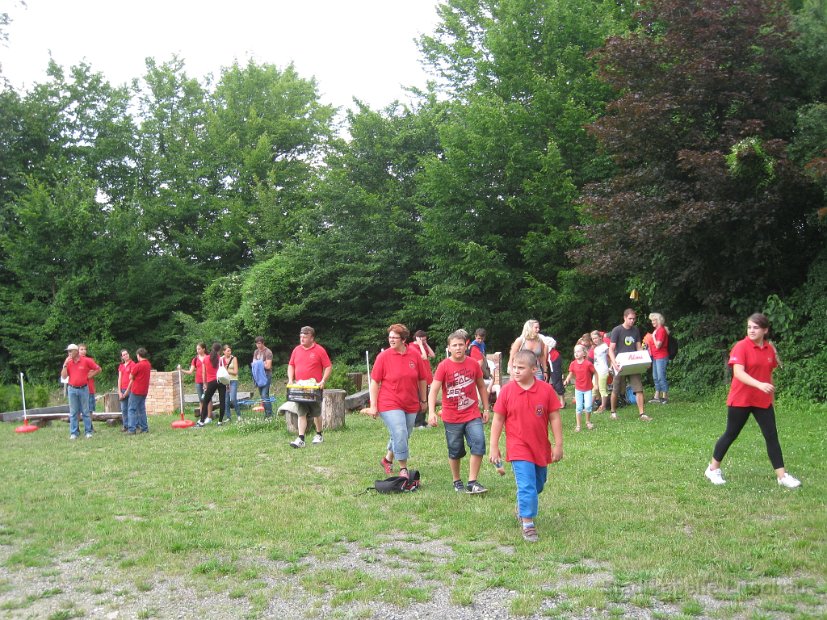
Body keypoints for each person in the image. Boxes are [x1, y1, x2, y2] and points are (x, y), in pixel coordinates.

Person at [704, 313, 801, 488]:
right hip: (741, 399)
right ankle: (712, 469)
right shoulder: (741, 347)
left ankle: (782, 476)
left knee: (771, 436)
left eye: (756, 327)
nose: (751, 330)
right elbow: (738, 373)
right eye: (749, 327)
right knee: (731, 434)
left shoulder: (770, 349)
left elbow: (768, 373)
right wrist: (759, 385)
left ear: (765, 330)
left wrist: (769, 392)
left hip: (762, 400)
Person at [489, 350, 563, 543]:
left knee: (538, 484)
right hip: (518, 447)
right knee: (527, 486)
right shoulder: (507, 391)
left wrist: (558, 444)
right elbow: (498, 419)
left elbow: (554, 417)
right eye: (513, 367)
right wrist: (494, 446)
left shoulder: (546, 390)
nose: (515, 371)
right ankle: (528, 523)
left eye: (520, 368)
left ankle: (522, 506)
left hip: (540, 447)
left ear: (533, 369)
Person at [428, 330, 491, 494]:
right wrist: (431, 412)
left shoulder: (473, 364)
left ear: (466, 346)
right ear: (449, 348)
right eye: (454, 345)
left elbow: (481, 387)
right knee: (455, 450)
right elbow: (434, 390)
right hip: (451, 416)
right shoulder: (443, 366)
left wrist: (486, 408)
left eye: (461, 345)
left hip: (472, 413)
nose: (458, 348)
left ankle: (472, 481)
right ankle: (457, 480)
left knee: (479, 442)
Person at [363, 324, 428, 479]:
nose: (391, 340)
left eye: (395, 337)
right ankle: (403, 469)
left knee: (404, 434)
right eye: (390, 337)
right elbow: (374, 382)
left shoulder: (414, 355)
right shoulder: (383, 357)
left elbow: (422, 379)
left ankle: (387, 459)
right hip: (389, 402)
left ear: (403, 339)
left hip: (411, 402)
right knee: (399, 431)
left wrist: (423, 400)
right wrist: (373, 406)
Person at [287, 326, 333, 448]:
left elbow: (328, 366)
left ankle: (319, 434)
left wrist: (323, 381)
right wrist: (291, 379)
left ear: (312, 338)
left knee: (316, 413)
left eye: (305, 337)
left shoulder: (320, 350)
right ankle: (301, 438)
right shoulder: (296, 350)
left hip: (314, 389)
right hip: (300, 388)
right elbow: (291, 365)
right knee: (301, 412)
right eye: (301, 337)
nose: (302, 339)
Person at [608, 309, 652, 421]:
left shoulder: (635, 330)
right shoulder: (617, 330)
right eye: (630, 319)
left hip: (633, 363)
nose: (632, 321)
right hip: (620, 363)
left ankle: (642, 414)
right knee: (616, 389)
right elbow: (611, 349)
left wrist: (644, 360)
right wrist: (614, 364)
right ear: (625, 318)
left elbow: (638, 347)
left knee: (638, 389)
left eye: (634, 319)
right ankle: (613, 412)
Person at [61, 343, 101, 439]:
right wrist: (65, 365)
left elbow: (98, 369)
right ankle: (74, 432)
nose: (69, 353)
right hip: (72, 389)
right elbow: (64, 376)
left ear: (76, 351)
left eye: (70, 351)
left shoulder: (86, 361)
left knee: (86, 411)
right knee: (73, 412)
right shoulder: (68, 362)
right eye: (68, 351)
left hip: (83, 388)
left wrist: (89, 376)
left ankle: (88, 431)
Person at [564, 344, 597, 431]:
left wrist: (596, 384)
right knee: (578, 407)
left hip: (588, 389)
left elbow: (595, 373)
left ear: (584, 353)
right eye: (575, 352)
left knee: (588, 406)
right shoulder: (573, 364)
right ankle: (578, 425)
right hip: (578, 388)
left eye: (578, 351)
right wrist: (566, 380)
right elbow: (570, 374)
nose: (576, 353)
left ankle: (588, 422)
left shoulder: (588, 364)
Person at [409, 330, 435, 428]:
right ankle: (417, 422)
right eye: (422, 340)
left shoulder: (424, 346)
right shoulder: (411, 347)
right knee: (420, 400)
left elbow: (432, 355)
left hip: (426, 377)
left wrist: (425, 344)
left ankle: (423, 421)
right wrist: (420, 345)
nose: (424, 341)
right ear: (417, 338)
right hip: (418, 379)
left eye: (425, 340)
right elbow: (423, 357)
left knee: (426, 399)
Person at [196, 343, 227, 427]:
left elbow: (204, 372)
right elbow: (225, 372)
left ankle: (202, 421)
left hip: (211, 381)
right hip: (221, 381)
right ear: (219, 350)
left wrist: (205, 383)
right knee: (222, 401)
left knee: (205, 401)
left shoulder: (206, 359)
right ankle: (220, 422)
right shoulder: (221, 359)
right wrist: (228, 384)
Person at [179, 343, 210, 420]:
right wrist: (181, 370)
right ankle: (202, 416)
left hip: (208, 381)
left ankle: (209, 417)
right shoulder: (195, 359)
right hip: (198, 382)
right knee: (201, 399)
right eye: (197, 349)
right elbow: (190, 371)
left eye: (199, 349)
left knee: (208, 399)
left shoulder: (208, 358)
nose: (197, 350)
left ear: (204, 349)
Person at [124, 348, 151, 434]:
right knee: (142, 409)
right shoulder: (148, 364)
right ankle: (144, 428)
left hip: (136, 390)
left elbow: (130, 377)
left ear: (138, 355)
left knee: (131, 409)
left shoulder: (138, 365)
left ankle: (132, 429)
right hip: (144, 390)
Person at [648, 312, 670, 404]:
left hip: (661, 356)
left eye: (654, 320)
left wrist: (652, 337)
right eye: (652, 320)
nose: (652, 322)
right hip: (655, 356)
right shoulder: (657, 330)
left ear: (659, 320)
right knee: (655, 377)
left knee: (661, 376)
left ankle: (665, 396)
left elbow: (658, 345)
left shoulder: (661, 330)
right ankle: (657, 396)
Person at [468, 328, 496, 399]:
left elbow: (483, 355)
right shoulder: (474, 346)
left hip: (482, 370)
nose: (480, 341)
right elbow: (479, 362)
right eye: (478, 338)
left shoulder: (482, 344)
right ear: (475, 336)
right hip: (475, 371)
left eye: (482, 339)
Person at [252, 336, 274, 419]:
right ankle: (267, 413)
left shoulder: (268, 352)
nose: (258, 345)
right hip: (258, 376)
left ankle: (269, 415)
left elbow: (268, 366)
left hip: (266, 375)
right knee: (262, 395)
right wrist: (262, 363)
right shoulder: (256, 352)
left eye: (259, 343)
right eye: (256, 343)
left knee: (264, 395)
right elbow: (253, 363)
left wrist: (259, 364)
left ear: (263, 343)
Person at [590, 331, 610, 413]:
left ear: (600, 337)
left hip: (603, 371)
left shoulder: (605, 346)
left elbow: (610, 357)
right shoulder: (596, 348)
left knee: (602, 389)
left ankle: (603, 407)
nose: (594, 340)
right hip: (596, 371)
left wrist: (611, 367)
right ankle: (589, 407)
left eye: (595, 338)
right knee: (594, 388)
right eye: (593, 339)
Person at [544, 336, 565, 409]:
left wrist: (545, 368)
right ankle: (546, 400)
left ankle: (562, 401)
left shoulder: (542, 339)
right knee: (544, 381)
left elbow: (552, 343)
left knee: (556, 380)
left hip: (553, 359)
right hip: (545, 361)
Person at [78, 344, 98, 417]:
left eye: (85, 349)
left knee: (90, 409)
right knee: (78, 410)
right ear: (77, 351)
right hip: (79, 388)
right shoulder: (75, 361)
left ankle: (90, 426)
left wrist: (89, 376)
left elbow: (97, 369)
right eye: (81, 349)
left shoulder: (89, 360)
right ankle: (77, 427)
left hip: (89, 388)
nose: (84, 351)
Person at [117, 349, 134, 432]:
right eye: (123, 355)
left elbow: (132, 379)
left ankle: (132, 425)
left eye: (126, 354)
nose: (126, 355)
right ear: (122, 357)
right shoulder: (121, 366)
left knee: (130, 408)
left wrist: (127, 391)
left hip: (130, 389)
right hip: (122, 389)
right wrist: (119, 391)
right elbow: (119, 378)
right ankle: (125, 425)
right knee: (123, 408)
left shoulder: (132, 364)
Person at [222, 344, 239, 422]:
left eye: (230, 350)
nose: (229, 352)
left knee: (233, 398)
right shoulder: (221, 359)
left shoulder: (234, 358)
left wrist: (226, 370)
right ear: (224, 352)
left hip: (233, 380)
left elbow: (235, 372)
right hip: (225, 381)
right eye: (227, 351)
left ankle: (239, 415)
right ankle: (228, 417)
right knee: (226, 400)